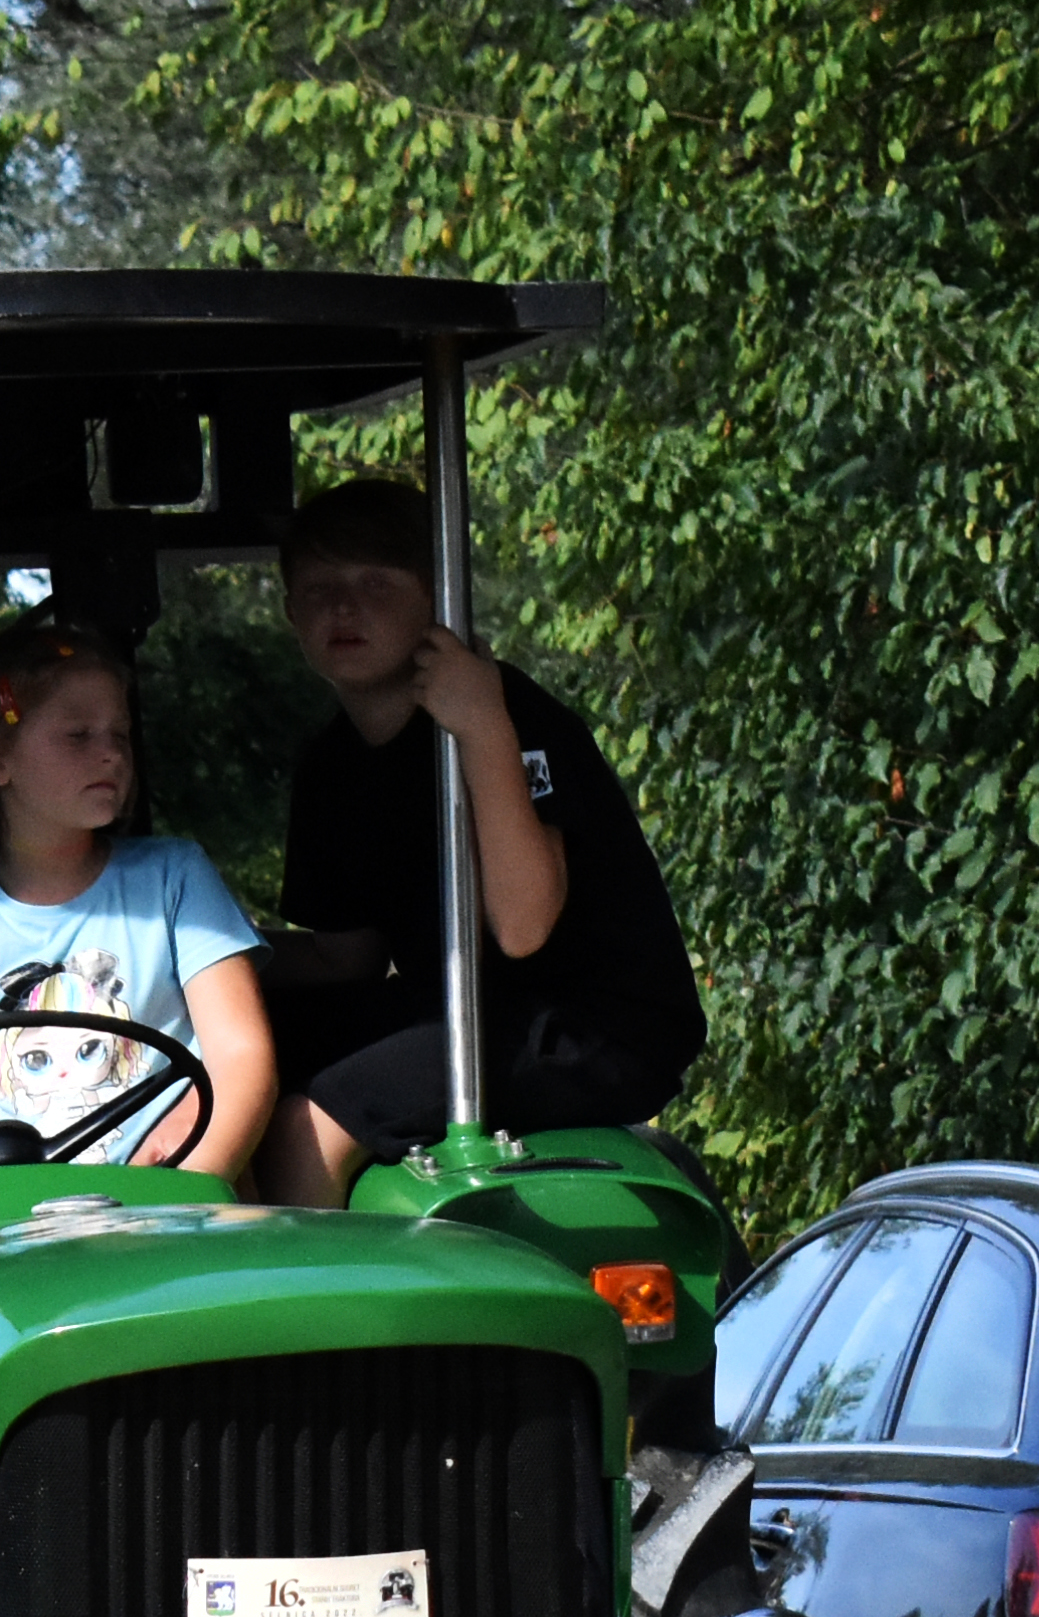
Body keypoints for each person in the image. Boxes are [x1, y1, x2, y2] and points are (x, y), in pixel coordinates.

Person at [249, 478, 705, 1205]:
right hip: (460, 1007)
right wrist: (201, 953)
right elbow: (347, 957)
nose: (345, 607)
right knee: (243, 1055)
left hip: (591, 1026)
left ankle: (302, 1312)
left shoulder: (511, 717)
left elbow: (524, 928)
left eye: (376, 582)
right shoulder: (330, 764)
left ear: (437, 597)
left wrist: (483, 726)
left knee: (313, 1121)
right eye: (321, 586)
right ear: (290, 612)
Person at [0, 619, 276, 1182]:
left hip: (184, 1205)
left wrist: (185, 1187)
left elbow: (242, 1064)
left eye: (120, 734)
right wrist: (6, 1219)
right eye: (78, 735)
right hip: (21, 1227)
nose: (110, 754)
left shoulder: (176, 878)